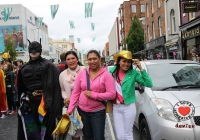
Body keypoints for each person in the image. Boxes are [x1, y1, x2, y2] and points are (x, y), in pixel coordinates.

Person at [17, 39, 62, 140]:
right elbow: (21, 88)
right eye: (31, 50)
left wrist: (56, 105)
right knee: (33, 129)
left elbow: (57, 85)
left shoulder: (49, 65)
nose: (33, 52)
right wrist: (21, 101)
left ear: (40, 50)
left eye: (36, 49)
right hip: (31, 101)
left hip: (46, 101)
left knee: (47, 128)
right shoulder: (23, 68)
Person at [66, 50, 116, 140]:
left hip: (98, 112)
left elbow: (112, 94)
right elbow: (75, 93)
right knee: (88, 136)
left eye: (94, 59)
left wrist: (94, 95)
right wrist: (70, 109)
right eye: (90, 59)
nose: (92, 61)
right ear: (87, 60)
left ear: (99, 59)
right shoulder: (82, 74)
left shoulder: (106, 75)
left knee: (99, 137)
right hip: (83, 111)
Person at [109, 50, 153, 140]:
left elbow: (149, 83)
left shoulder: (133, 73)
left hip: (128, 107)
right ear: (119, 61)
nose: (126, 64)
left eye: (129, 62)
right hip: (116, 107)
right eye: (124, 61)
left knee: (128, 134)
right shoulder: (112, 72)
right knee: (120, 136)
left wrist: (140, 67)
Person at [59, 51, 85, 140]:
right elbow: (62, 90)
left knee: (87, 132)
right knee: (75, 132)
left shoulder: (85, 70)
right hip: (73, 109)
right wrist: (66, 97)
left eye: (73, 58)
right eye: (68, 59)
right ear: (65, 61)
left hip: (86, 107)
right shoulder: (62, 75)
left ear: (77, 59)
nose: (71, 61)